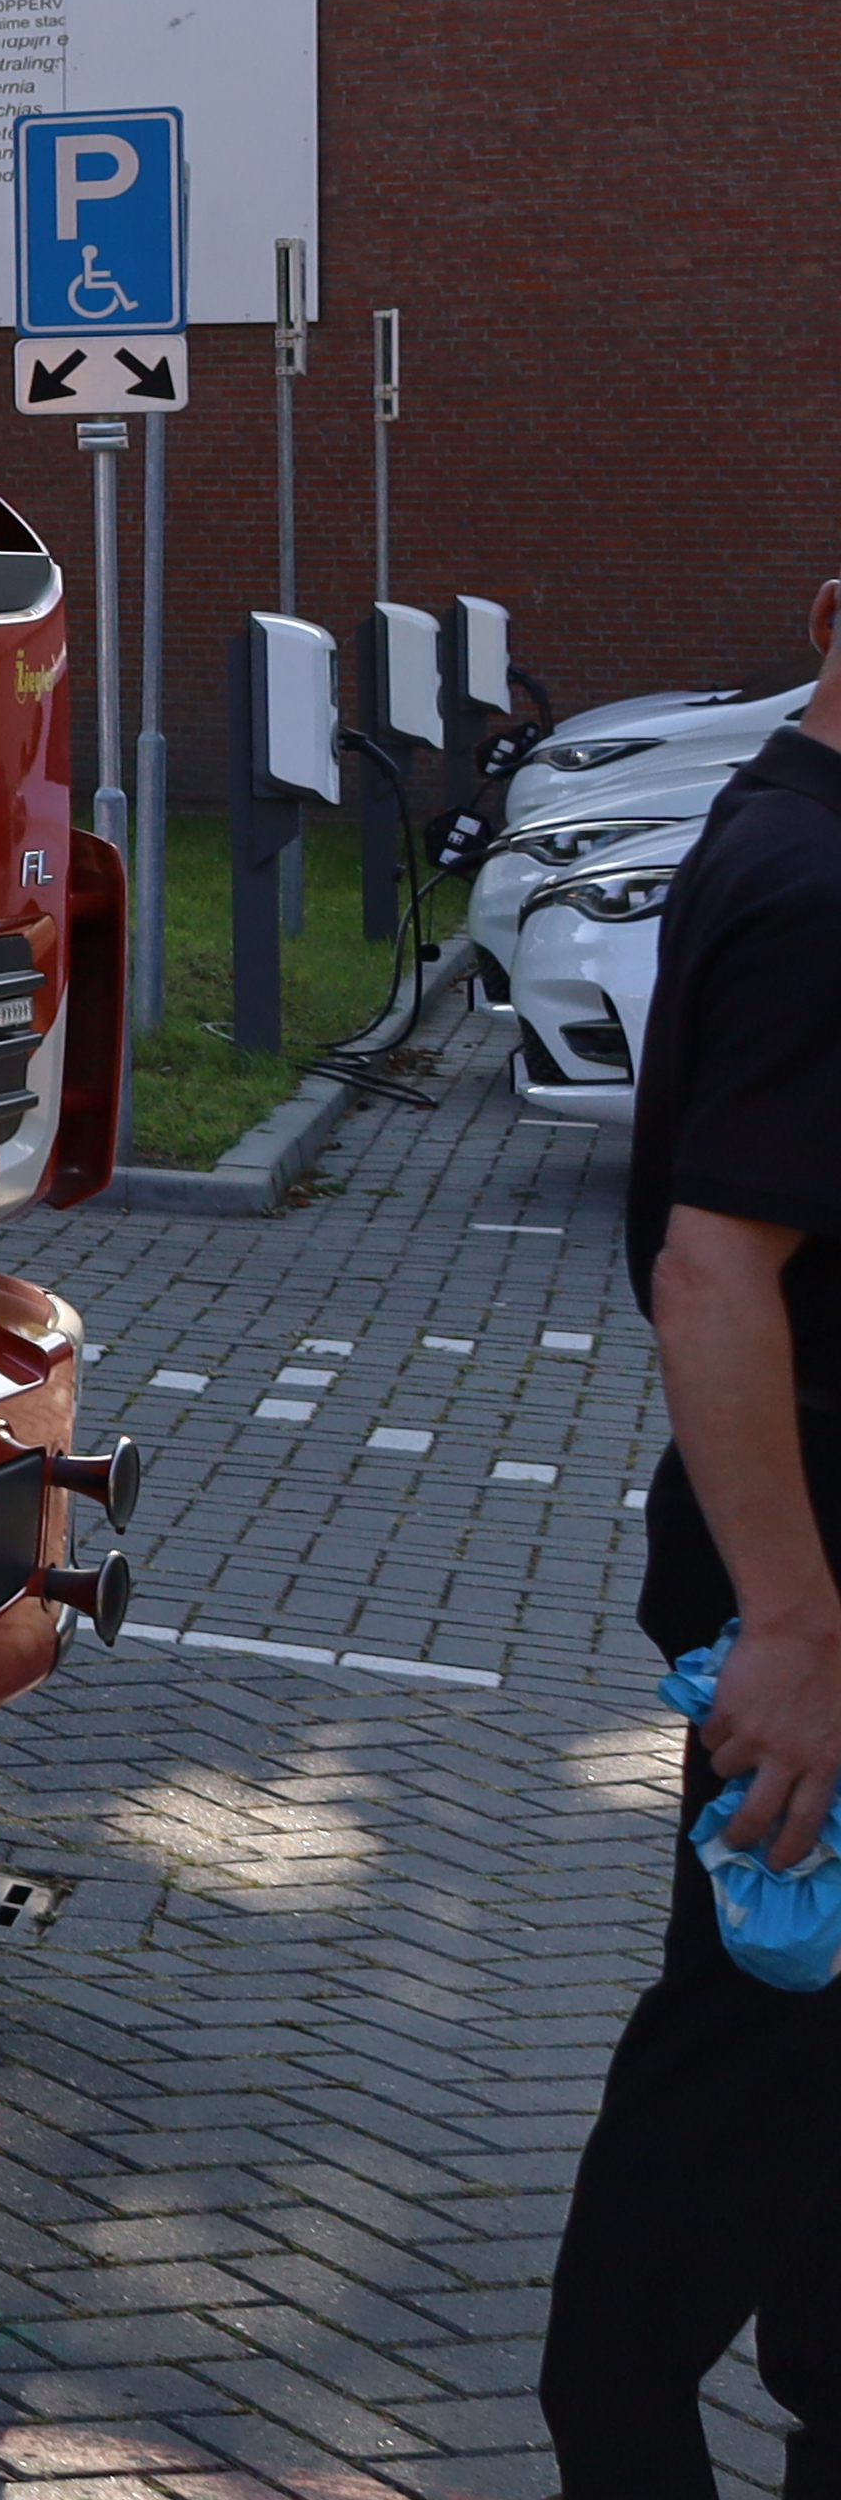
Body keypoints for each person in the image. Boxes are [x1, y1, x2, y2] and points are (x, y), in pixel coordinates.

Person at [545, 574, 841, 2491]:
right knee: (709, 2157)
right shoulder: (823, 899)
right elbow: (714, 1270)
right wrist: (797, 1634)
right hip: (818, 1683)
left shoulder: (774, 821)